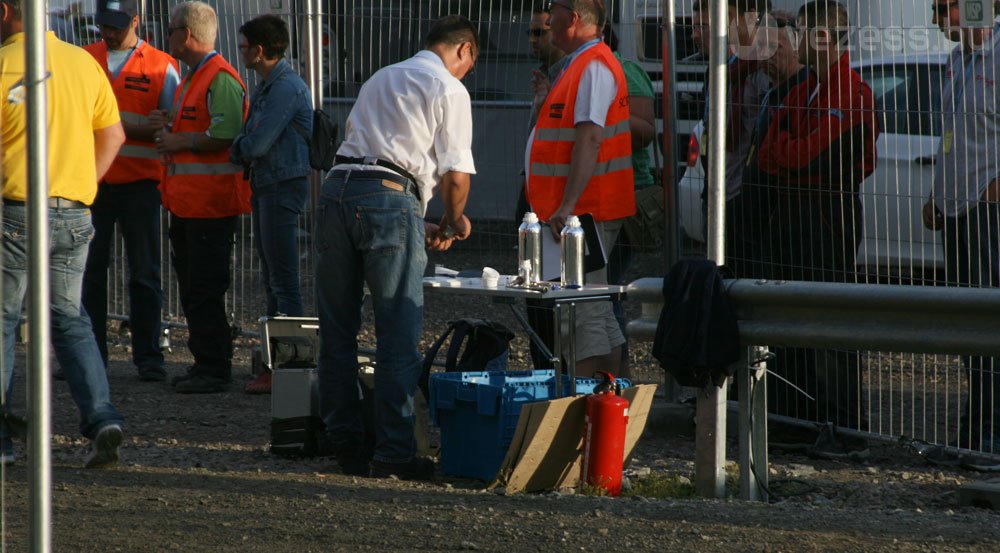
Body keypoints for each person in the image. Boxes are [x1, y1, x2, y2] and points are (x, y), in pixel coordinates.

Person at [315, 15, 477, 480]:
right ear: (463, 50)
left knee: (338, 329)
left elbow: (370, 154)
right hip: (388, 196)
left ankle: (344, 442)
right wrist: (450, 220)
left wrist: (416, 216)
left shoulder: (382, 76)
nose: (466, 73)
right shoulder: (448, 88)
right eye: (469, 64)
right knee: (397, 333)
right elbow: (457, 177)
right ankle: (393, 451)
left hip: (336, 190)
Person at [0, 0, 126, 468]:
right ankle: (102, 417)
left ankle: (3, 437)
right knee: (70, 321)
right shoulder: (83, 64)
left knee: (4, 319)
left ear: (7, 11)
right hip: (73, 211)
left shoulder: (3, 65)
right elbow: (112, 135)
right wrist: (84, 186)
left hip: (14, 208)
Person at [756, 0, 880, 455]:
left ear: (822, 36)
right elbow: (771, 153)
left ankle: (847, 431)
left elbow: (807, 156)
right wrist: (791, 149)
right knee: (792, 316)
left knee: (829, 318)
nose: (792, 39)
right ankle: (801, 421)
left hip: (828, 215)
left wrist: (790, 150)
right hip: (795, 212)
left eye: (801, 31)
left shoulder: (850, 91)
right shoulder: (805, 87)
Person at [525, 0, 634, 376]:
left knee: (585, 316)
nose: (546, 19)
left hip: (584, 214)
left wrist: (567, 207)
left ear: (572, 19)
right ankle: (608, 405)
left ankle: (588, 406)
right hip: (581, 213)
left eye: (551, 11)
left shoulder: (592, 66)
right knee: (595, 313)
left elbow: (590, 139)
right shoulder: (585, 64)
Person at [151, 0, 249, 394]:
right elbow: (204, 128)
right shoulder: (196, 76)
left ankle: (214, 367)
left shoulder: (219, 78)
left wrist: (178, 138)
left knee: (205, 287)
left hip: (210, 207)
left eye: (172, 29)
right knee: (195, 288)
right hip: (191, 205)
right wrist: (169, 126)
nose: (168, 35)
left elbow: (226, 135)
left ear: (186, 34)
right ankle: (205, 362)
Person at [81, 0, 181, 384]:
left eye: (116, 26)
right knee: (90, 272)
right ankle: (91, 357)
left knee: (144, 272)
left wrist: (123, 125)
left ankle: (149, 356)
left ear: (136, 22)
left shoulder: (159, 64)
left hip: (141, 183)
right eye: (103, 25)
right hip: (94, 180)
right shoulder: (86, 58)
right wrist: (137, 123)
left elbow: (170, 124)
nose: (107, 33)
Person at [921, 0, 1000, 452]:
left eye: (944, 8)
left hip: (987, 214)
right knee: (970, 327)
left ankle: (990, 435)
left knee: (988, 324)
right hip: (957, 213)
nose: (936, 21)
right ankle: (978, 432)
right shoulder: (958, 60)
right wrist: (938, 193)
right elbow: (955, 137)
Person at [230, 14, 313, 395]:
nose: (241, 51)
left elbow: (255, 143)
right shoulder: (271, 84)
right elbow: (252, 137)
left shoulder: (284, 88)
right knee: (274, 279)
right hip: (270, 184)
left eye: (245, 46)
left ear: (260, 51)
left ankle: (292, 367)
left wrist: (237, 149)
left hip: (281, 186)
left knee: (283, 280)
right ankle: (280, 365)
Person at [690, 0, 772, 277]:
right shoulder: (723, 70)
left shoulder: (763, 72)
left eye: (707, 23)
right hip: (716, 190)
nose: (696, 34)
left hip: (744, 196)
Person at [602, 23, 655, 378]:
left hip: (624, 195)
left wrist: (600, 115)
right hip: (596, 197)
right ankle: (609, 377)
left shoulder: (624, 71)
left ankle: (617, 379)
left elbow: (646, 131)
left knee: (607, 290)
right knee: (599, 290)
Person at [740, 11, 808, 280]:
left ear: (795, 48)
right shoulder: (770, 92)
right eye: (760, 47)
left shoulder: (804, 93)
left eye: (774, 47)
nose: (765, 54)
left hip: (788, 221)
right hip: (761, 219)